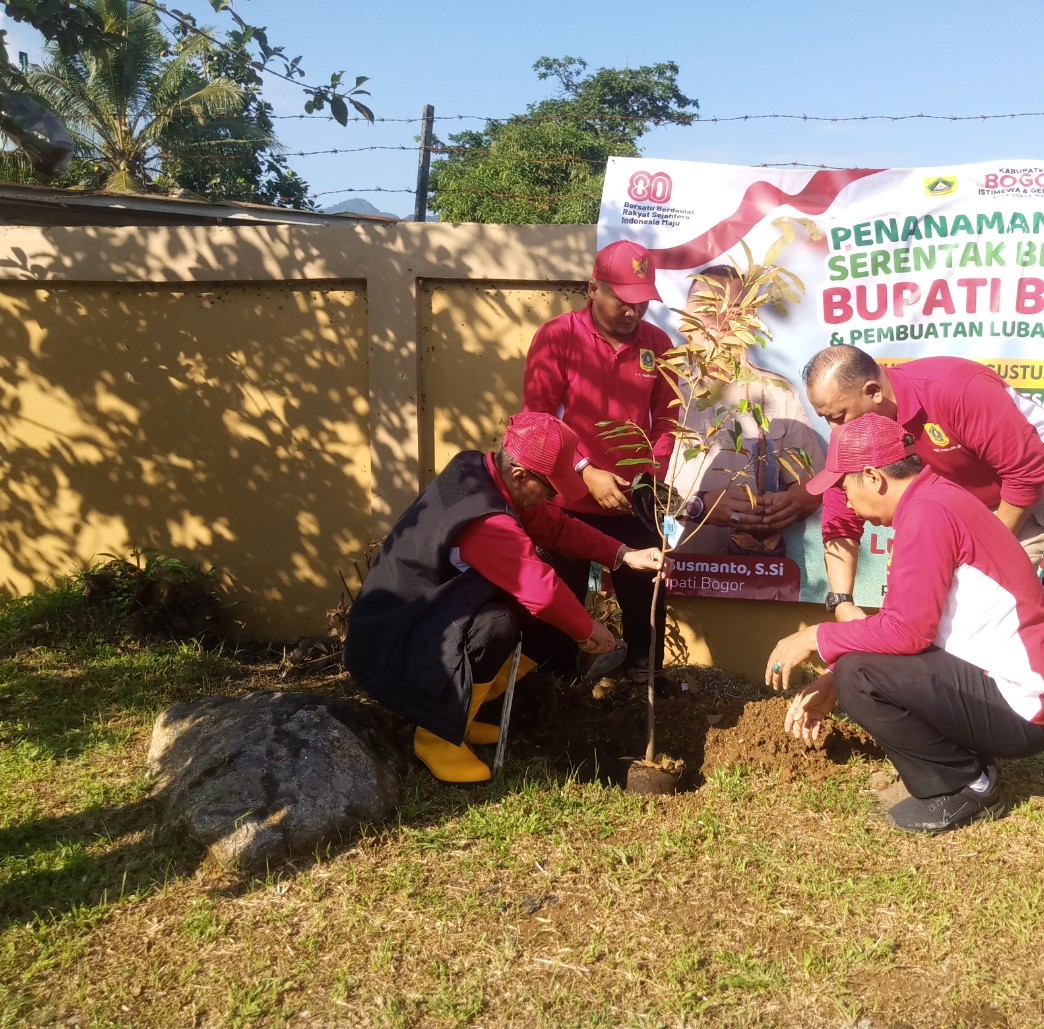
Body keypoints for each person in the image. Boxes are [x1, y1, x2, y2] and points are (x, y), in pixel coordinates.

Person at [764, 413, 1044, 834]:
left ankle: (969, 783)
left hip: (1025, 708)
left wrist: (814, 637)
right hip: (1016, 694)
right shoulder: (933, 499)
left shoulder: (928, 513)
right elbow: (904, 629)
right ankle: (968, 765)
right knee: (854, 665)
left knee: (860, 673)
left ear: (873, 477)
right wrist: (833, 675)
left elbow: (906, 633)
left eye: (845, 487)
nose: (846, 503)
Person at [343, 412, 663, 784]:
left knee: (524, 613)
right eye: (550, 488)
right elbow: (540, 591)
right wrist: (589, 631)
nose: (554, 497)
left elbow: (555, 527)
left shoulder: (478, 472)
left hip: (421, 614)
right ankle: (436, 733)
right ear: (520, 475)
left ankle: (460, 714)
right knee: (498, 624)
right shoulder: (487, 519)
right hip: (393, 641)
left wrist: (623, 554)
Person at [801, 345, 1044, 622]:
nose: (834, 429)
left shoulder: (957, 390)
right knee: (928, 584)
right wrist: (842, 602)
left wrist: (980, 557)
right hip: (961, 479)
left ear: (874, 391)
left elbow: (1025, 471)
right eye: (825, 417)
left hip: (1035, 464)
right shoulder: (858, 428)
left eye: (838, 416)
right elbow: (841, 513)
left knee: (988, 591)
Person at [523, 239, 680, 687]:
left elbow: (669, 418)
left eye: (643, 302)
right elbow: (537, 420)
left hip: (632, 500)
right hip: (566, 500)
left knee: (645, 599)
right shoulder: (558, 336)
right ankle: (554, 690)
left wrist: (649, 476)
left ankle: (642, 686)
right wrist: (584, 471)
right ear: (594, 288)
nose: (633, 312)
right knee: (559, 601)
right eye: (623, 301)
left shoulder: (658, 344)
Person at [667, 265, 825, 555]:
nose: (720, 319)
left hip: (752, 576)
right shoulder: (661, 384)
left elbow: (811, 484)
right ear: (685, 317)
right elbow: (635, 489)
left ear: (750, 319)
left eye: (735, 310)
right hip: (667, 566)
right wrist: (697, 506)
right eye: (706, 308)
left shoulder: (776, 391)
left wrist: (793, 504)